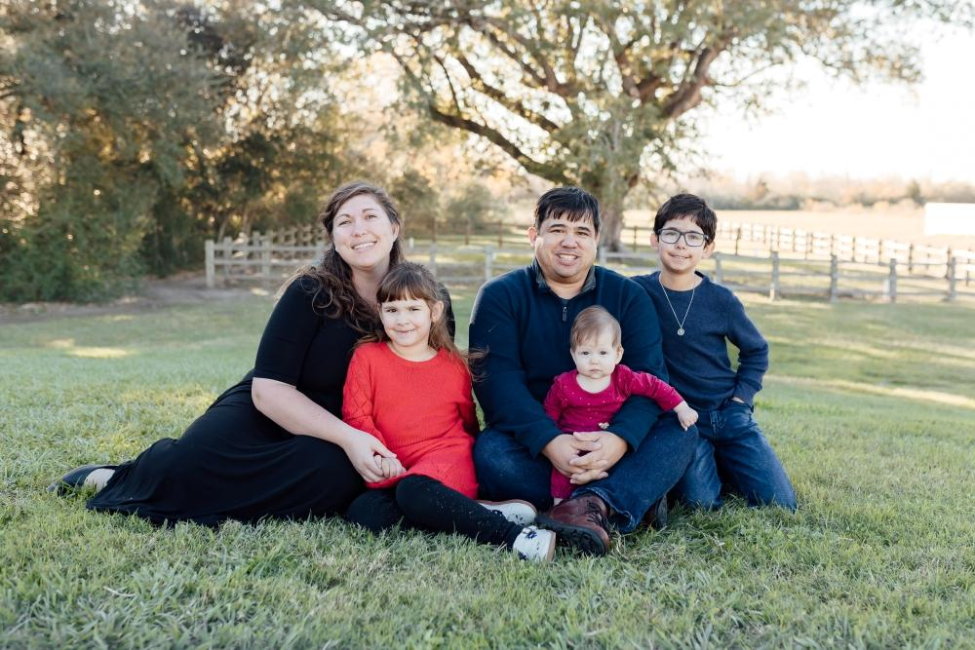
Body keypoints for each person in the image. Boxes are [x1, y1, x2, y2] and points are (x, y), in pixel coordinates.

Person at [49, 181, 443, 526]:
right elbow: (269, 389)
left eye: (369, 217)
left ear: (393, 228)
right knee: (190, 463)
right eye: (345, 221)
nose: (358, 230)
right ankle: (120, 477)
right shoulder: (310, 292)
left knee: (333, 476)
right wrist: (350, 438)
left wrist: (370, 444)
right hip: (270, 412)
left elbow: (431, 386)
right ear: (334, 237)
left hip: (343, 434)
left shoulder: (427, 301)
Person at [470, 186, 699, 556]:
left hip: (613, 436)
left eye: (582, 233)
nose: (569, 243)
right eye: (558, 229)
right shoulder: (500, 295)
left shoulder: (627, 296)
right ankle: (619, 501)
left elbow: (650, 377)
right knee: (490, 452)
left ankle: (583, 504)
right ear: (535, 236)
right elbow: (498, 386)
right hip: (541, 439)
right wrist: (551, 442)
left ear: (596, 242)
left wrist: (618, 441)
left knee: (681, 429)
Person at [342, 262, 559, 562]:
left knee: (414, 492)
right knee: (365, 512)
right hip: (395, 465)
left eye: (413, 309)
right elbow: (357, 416)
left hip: (446, 460)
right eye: (392, 310)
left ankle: (513, 537)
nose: (402, 320)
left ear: (434, 311)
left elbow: (468, 421)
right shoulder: (366, 358)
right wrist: (383, 457)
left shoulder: (452, 365)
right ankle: (472, 511)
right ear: (379, 312)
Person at [633, 193, 797, 511]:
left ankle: (730, 460)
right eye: (672, 234)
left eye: (694, 237)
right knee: (700, 504)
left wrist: (740, 401)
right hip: (681, 421)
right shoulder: (637, 292)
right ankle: (707, 465)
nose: (681, 244)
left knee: (781, 504)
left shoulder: (721, 300)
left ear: (707, 248)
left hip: (729, 413)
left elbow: (756, 351)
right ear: (655, 240)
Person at [545, 306, 698, 501]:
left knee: (639, 458)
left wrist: (681, 408)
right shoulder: (563, 385)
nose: (594, 361)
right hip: (574, 448)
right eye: (585, 353)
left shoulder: (623, 378)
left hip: (613, 449)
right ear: (573, 354)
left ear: (617, 354)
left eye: (602, 353)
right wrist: (554, 441)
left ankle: (607, 501)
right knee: (563, 477)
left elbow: (655, 387)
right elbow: (549, 413)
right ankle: (560, 509)